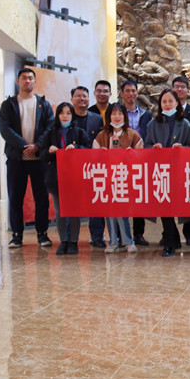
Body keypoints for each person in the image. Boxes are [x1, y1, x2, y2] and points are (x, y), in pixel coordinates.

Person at [0, 68, 54, 248]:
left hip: (39, 160)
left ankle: (42, 234)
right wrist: (24, 146)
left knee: (42, 198)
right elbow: (5, 130)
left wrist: (37, 145)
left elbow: (50, 127)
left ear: (35, 81)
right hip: (16, 160)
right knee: (15, 198)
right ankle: (16, 235)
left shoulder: (43, 104)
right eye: (24, 78)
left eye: (30, 78)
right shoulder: (9, 105)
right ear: (18, 81)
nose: (27, 81)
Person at [144, 89, 190, 256]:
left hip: (178, 171)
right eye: (164, 101)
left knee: (174, 206)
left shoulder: (184, 123)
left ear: (177, 103)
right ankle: (170, 243)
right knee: (164, 206)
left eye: (170, 101)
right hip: (160, 171)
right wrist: (154, 147)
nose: (167, 104)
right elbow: (147, 145)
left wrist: (182, 148)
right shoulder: (153, 124)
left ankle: (174, 239)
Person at [41, 102, 91, 255]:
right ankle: (63, 241)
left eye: (68, 113)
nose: (65, 116)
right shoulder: (51, 132)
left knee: (74, 211)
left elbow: (88, 149)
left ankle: (73, 241)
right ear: (57, 115)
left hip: (74, 177)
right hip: (56, 177)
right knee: (60, 212)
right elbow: (42, 154)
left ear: (72, 115)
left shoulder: (79, 132)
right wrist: (49, 151)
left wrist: (77, 149)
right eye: (62, 113)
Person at [92, 104, 143, 253]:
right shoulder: (102, 135)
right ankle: (113, 241)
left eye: (120, 114)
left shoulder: (132, 134)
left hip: (125, 179)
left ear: (124, 116)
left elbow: (142, 156)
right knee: (109, 212)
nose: (117, 117)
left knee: (122, 212)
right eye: (113, 114)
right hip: (107, 179)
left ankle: (128, 241)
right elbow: (92, 156)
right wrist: (100, 154)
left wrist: (133, 154)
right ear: (108, 116)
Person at [71, 85, 106, 248]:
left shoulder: (97, 119)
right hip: (72, 167)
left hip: (93, 166)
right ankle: (71, 238)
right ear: (72, 99)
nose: (82, 99)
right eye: (78, 96)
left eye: (84, 96)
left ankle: (97, 236)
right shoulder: (67, 117)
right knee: (73, 203)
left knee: (96, 201)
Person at [120, 80, 152, 246]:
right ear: (122, 94)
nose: (131, 94)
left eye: (133, 90)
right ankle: (122, 234)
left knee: (139, 198)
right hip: (121, 161)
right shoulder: (117, 113)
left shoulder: (146, 114)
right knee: (121, 196)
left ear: (137, 94)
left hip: (141, 161)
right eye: (127, 91)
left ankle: (138, 234)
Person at [172, 76, 190, 246]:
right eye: (176, 87)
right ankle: (169, 233)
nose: (179, 90)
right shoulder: (165, 111)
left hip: (189, 163)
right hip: (169, 163)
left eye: (183, 87)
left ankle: (189, 233)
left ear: (188, 91)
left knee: (189, 198)